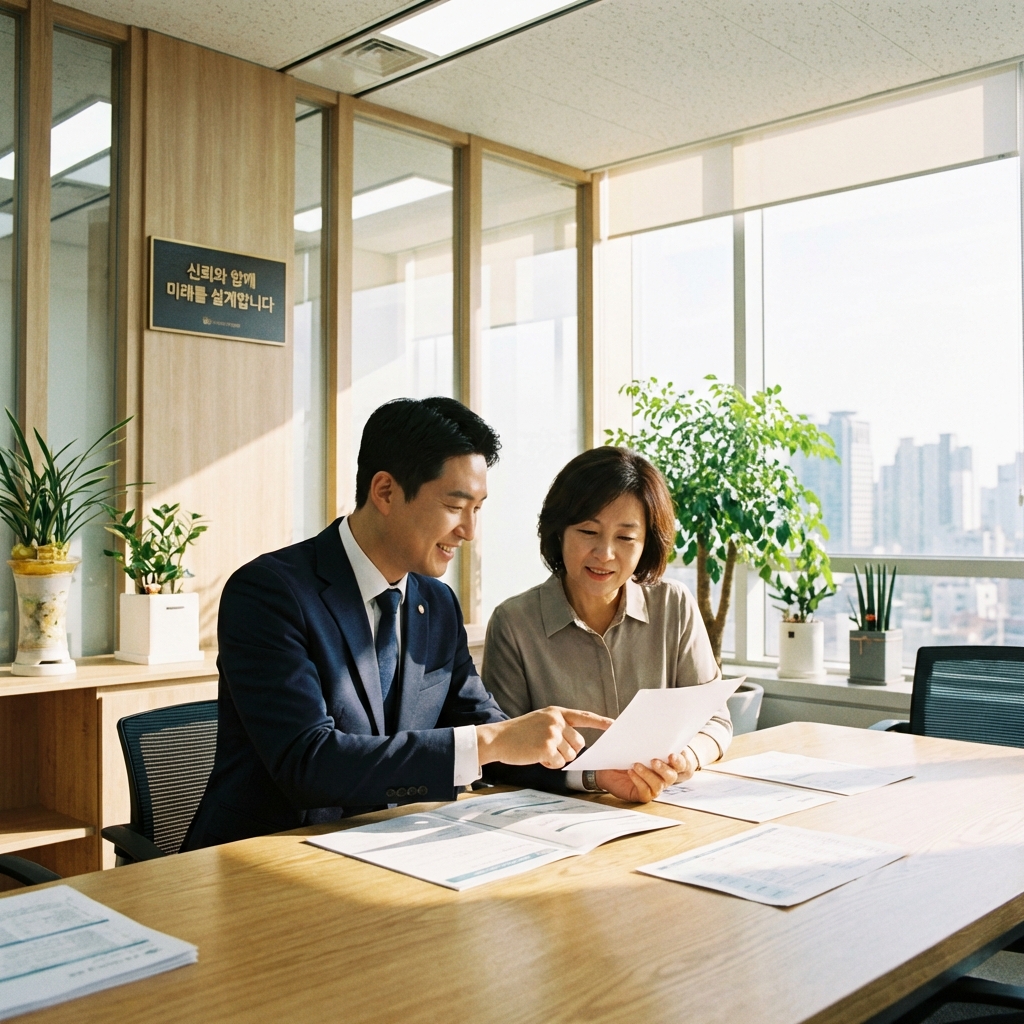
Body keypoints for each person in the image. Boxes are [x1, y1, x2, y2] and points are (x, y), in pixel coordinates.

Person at [184, 397, 611, 850]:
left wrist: (593, 774)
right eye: (455, 506)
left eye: (478, 509)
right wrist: (490, 741)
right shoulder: (269, 594)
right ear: (385, 491)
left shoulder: (437, 603)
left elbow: (489, 733)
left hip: (389, 850)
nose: (469, 531)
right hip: (264, 859)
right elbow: (310, 763)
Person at [483, 446, 732, 804]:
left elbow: (715, 721)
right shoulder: (514, 623)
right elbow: (503, 758)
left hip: (667, 807)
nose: (605, 554)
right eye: (588, 531)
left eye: (625, 537)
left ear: (646, 543)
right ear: (559, 533)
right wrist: (591, 777)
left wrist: (686, 759)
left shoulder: (673, 605)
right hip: (561, 821)